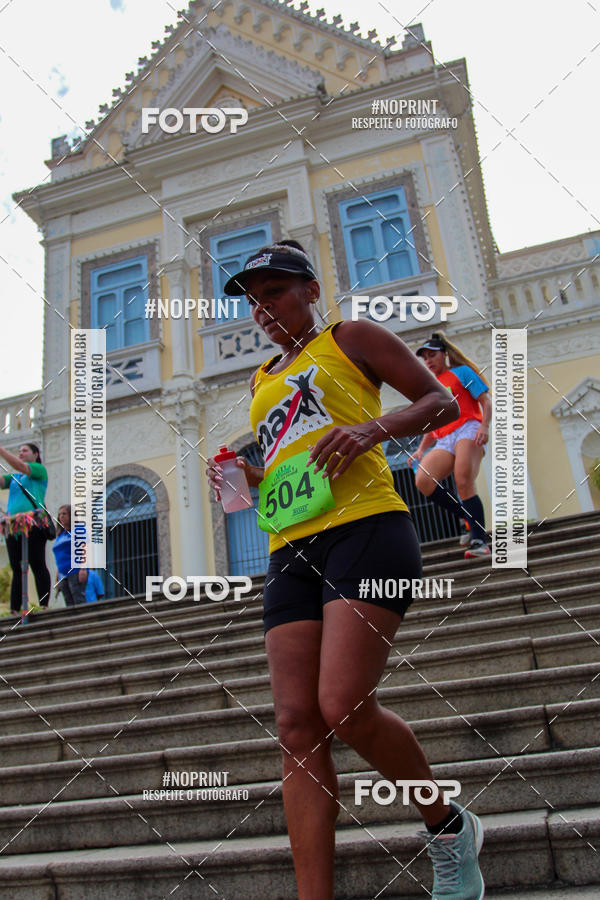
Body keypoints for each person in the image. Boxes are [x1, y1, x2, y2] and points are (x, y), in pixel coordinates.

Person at [206, 241, 485, 900]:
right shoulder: (261, 380)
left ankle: (448, 827)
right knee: (297, 725)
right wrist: (244, 475)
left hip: (367, 532)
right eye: (253, 299)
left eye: (274, 292)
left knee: (344, 708)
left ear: (309, 289)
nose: (262, 308)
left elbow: (438, 405)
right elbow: (290, 464)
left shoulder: (349, 335)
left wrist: (372, 430)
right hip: (290, 551)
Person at [408, 333, 492, 559]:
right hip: (445, 437)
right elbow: (434, 422)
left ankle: (479, 541)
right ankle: (466, 516)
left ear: (444, 354)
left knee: (463, 480)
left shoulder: (462, 373)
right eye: (425, 358)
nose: (429, 361)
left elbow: (485, 400)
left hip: (468, 428)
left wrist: (484, 426)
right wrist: (421, 449)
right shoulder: (430, 386)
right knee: (423, 480)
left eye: (432, 355)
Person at [0, 442, 51, 613]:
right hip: (13, 524)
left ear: (36, 454)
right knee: (17, 567)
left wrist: (1, 450)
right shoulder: (15, 478)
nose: (21, 453)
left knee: (38, 564)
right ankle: (15, 608)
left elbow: (20, 466)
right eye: (19, 450)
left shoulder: (38, 470)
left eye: (25, 450)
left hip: (33, 522)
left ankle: (44, 604)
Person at [52, 504, 87, 606]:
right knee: (69, 603)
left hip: (75, 571)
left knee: (78, 599)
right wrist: (57, 579)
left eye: (64, 514)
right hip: (63, 575)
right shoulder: (60, 535)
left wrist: (83, 569)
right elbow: (59, 559)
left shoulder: (78, 530)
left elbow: (84, 548)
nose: (61, 516)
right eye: (59, 515)